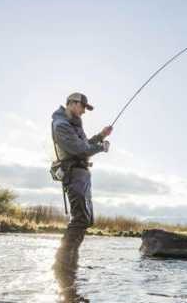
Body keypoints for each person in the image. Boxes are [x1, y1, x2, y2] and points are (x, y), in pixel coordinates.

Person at [51, 92, 112, 286]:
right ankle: (62, 263)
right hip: (73, 174)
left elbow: (85, 144)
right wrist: (102, 147)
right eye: (83, 107)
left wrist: (101, 136)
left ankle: (70, 262)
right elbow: (80, 150)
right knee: (80, 219)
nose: (84, 111)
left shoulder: (74, 124)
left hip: (81, 175)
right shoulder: (61, 125)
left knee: (86, 219)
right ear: (71, 103)